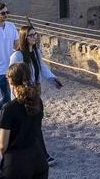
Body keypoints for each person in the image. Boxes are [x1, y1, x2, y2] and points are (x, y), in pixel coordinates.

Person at [0, 62, 59, 179]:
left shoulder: (9, 109)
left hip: (16, 166)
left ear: (12, 83)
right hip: (38, 160)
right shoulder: (38, 102)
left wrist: (5, 161)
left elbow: (2, 145)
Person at [10, 25, 62, 166]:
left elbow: (42, 67)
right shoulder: (18, 56)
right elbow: (13, 78)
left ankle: (23, 150)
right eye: (31, 35)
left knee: (33, 123)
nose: (34, 37)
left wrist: (53, 79)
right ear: (24, 37)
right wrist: (15, 98)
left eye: (35, 34)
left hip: (35, 92)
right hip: (23, 94)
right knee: (33, 125)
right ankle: (43, 155)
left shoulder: (36, 52)